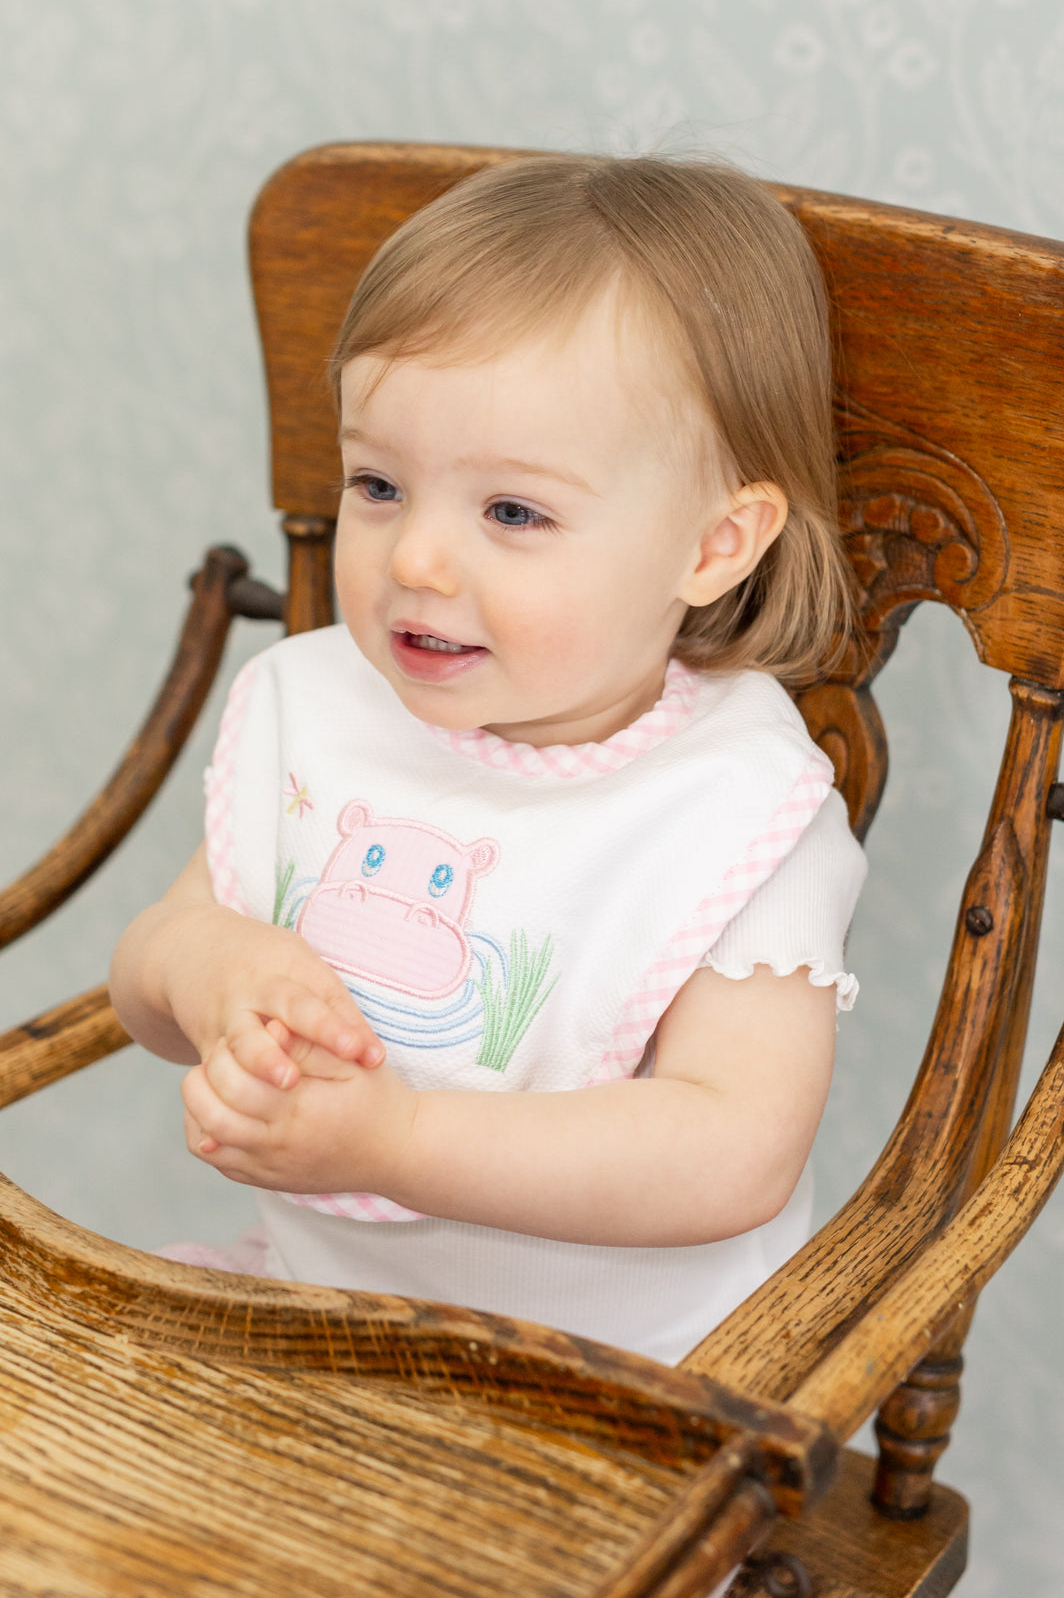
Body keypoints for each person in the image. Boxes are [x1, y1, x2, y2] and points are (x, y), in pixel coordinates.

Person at [109, 153, 866, 1369]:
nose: (415, 560)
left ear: (714, 544)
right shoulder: (321, 710)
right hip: (322, 1318)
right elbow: (145, 975)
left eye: (511, 512)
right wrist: (212, 966)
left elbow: (731, 1152)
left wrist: (396, 1142)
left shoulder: (730, 807)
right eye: (378, 484)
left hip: (615, 1389)